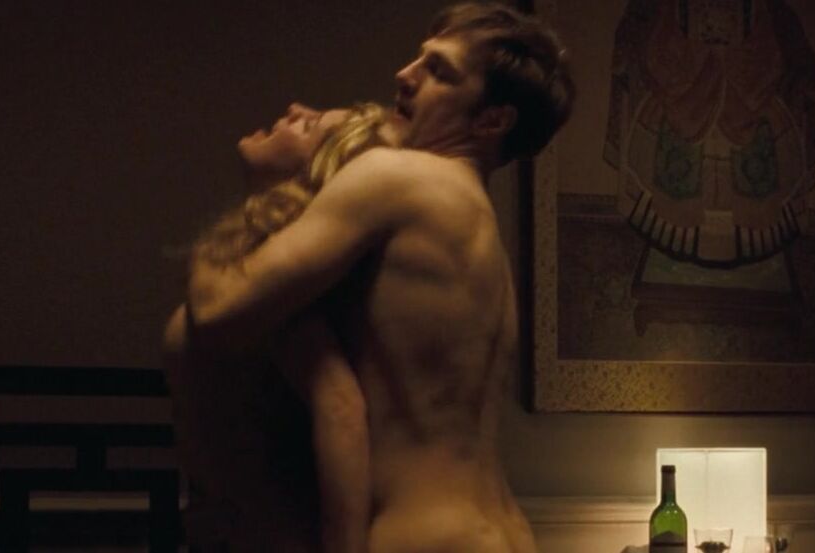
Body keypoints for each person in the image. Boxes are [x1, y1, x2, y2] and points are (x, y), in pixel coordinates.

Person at [183, 3, 573, 552]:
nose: (404, 74)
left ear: (492, 121)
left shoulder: (399, 177)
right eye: (419, 58)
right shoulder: (476, 224)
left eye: (438, 71)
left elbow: (216, 310)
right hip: (503, 533)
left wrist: (255, 200)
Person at [164, 103, 398, 552]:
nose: (293, 109)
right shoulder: (256, 260)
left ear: (318, 169)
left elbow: (340, 407)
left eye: (309, 126)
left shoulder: (276, 277)